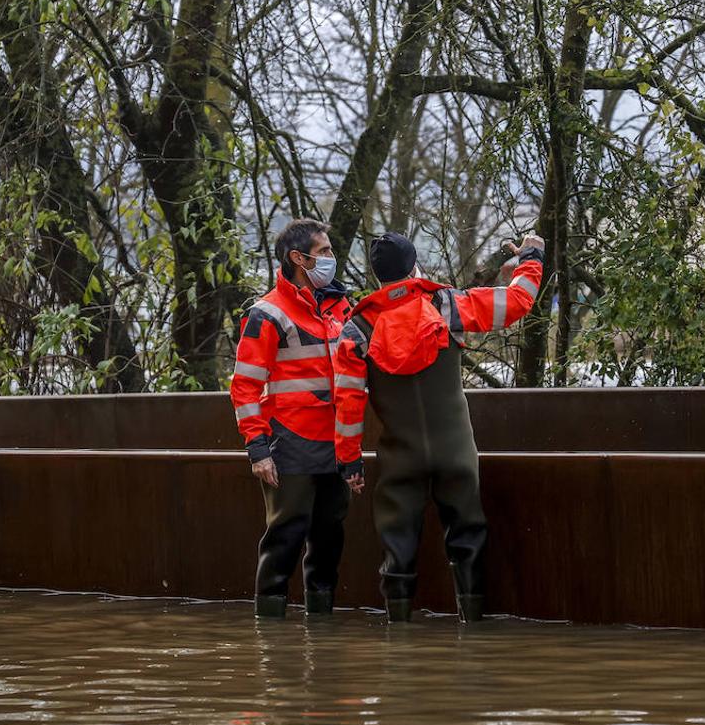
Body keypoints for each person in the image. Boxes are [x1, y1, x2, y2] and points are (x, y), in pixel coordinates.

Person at [331, 232, 544, 623]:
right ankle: (472, 625)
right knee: (467, 535)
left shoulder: (355, 330)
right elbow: (518, 302)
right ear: (415, 267)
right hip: (456, 453)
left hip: (400, 458)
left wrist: (349, 462)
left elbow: (347, 403)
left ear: (378, 278)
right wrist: (532, 256)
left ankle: (398, 637)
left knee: (397, 546)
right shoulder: (447, 305)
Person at [230, 219, 357, 619]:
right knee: (284, 538)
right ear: (298, 259)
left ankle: (322, 632)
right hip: (290, 441)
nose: (332, 260)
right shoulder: (266, 314)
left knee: (329, 539)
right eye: (324, 252)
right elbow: (245, 387)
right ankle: (269, 636)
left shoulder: (341, 308)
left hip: (336, 443)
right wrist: (257, 450)